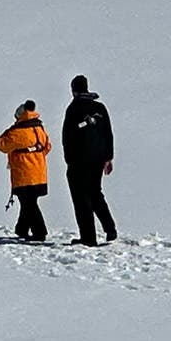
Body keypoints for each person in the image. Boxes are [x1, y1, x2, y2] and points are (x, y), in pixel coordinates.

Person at [62, 74, 117, 245]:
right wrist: (108, 158)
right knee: (95, 192)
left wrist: (69, 160)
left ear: (73, 90)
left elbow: (67, 137)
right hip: (99, 159)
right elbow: (108, 133)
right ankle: (110, 229)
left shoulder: (74, 109)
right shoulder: (100, 107)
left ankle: (88, 238)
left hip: (79, 161)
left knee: (81, 198)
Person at [0, 100, 52, 243]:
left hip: (24, 174)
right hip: (39, 173)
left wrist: (9, 129)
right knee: (29, 202)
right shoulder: (40, 129)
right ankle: (21, 229)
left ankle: (40, 232)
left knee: (28, 203)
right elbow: (48, 147)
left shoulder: (17, 132)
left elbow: (2, 145)